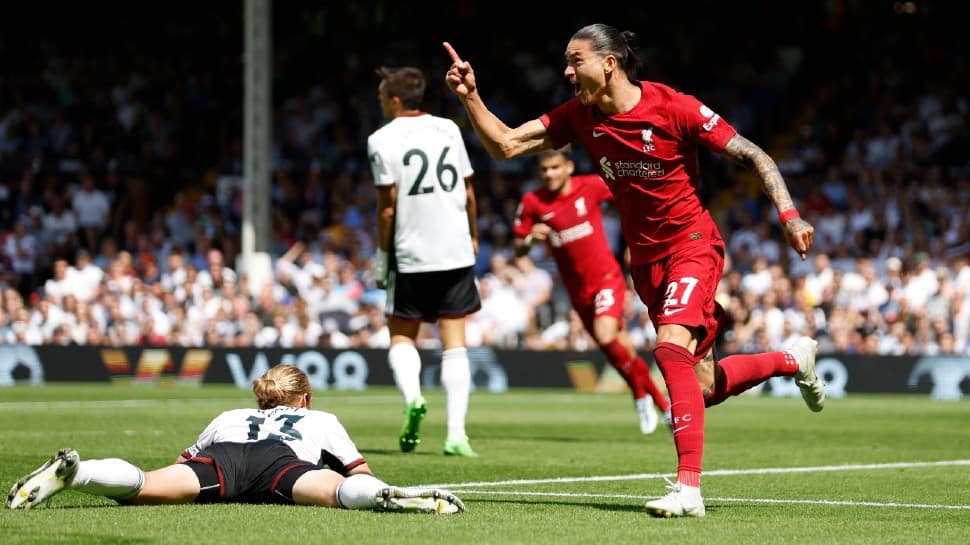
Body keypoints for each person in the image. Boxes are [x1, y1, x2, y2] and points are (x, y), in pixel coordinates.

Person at [443, 23, 825, 518]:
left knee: (668, 350)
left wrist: (790, 215)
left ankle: (688, 489)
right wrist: (471, 97)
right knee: (702, 387)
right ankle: (792, 360)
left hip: (693, 243)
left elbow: (753, 153)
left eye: (574, 59)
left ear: (608, 62)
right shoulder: (580, 117)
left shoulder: (674, 107)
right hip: (646, 263)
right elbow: (507, 145)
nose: (566, 71)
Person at [6, 365, 464, 514]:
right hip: (281, 463)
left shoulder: (231, 414)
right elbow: (356, 471)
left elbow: (184, 460)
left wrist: (185, 478)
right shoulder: (319, 417)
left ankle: (79, 472)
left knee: (144, 485)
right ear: (304, 397)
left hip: (222, 458)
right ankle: (390, 499)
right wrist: (372, 484)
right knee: (337, 492)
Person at [513, 146, 671, 434]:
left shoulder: (590, 186)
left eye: (555, 168)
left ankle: (639, 396)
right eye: (545, 170)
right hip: (578, 291)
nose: (550, 174)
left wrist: (636, 241)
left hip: (607, 277)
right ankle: (662, 405)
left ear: (569, 167)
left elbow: (629, 196)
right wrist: (529, 242)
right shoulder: (533, 202)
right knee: (618, 350)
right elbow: (518, 244)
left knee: (605, 334)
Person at [368, 66, 481, 457]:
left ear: (396, 99)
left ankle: (414, 397)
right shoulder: (449, 129)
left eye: (382, 95)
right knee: (455, 345)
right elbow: (468, 190)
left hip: (411, 251)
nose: (380, 101)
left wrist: (383, 257)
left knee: (401, 335)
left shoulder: (381, 139)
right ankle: (456, 435)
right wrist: (474, 234)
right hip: (455, 248)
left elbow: (387, 208)